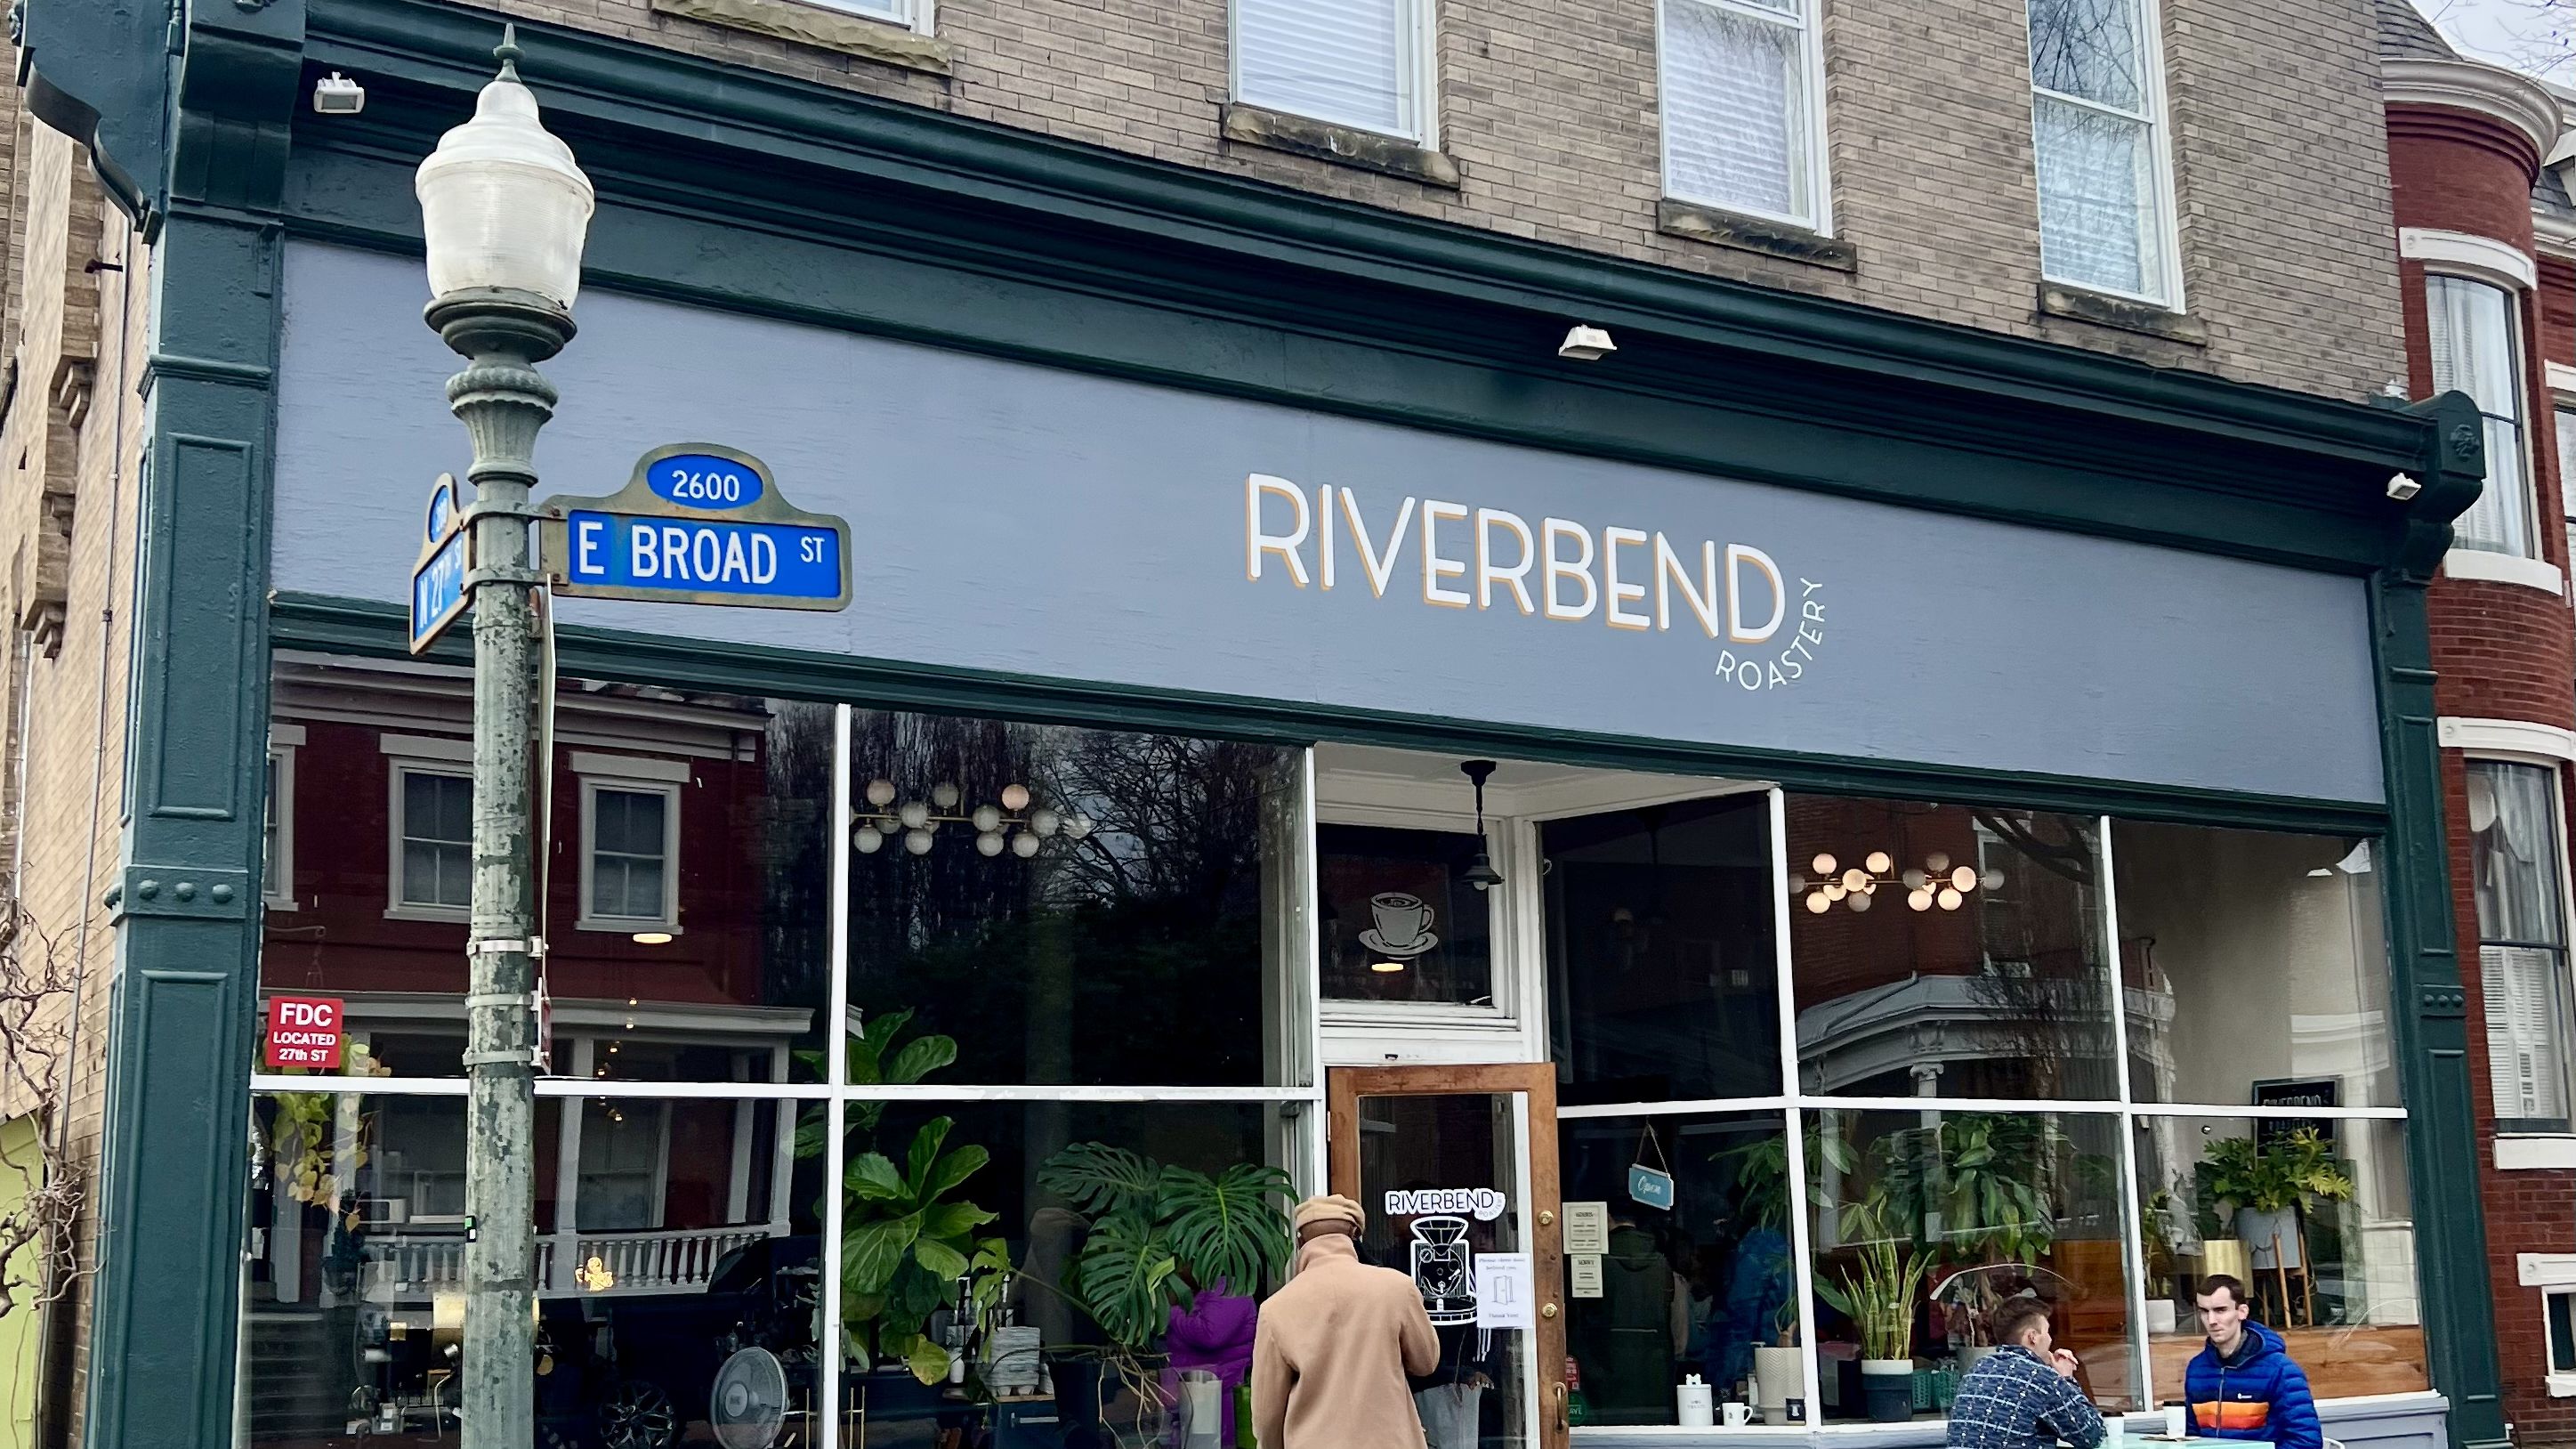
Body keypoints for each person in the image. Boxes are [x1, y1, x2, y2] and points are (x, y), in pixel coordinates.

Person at [1251, 1194, 1441, 1449]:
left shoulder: (1275, 1309)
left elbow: (1267, 1414)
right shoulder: (1397, 1288)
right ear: (1355, 1234)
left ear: (1300, 1241)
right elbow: (1426, 1362)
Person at [1944, 1298, 2105, 1449]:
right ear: (2032, 1337)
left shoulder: (1977, 1370)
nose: (2050, 1339)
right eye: (2047, 1332)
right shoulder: (2040, 1378)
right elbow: (2092, 1435)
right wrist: (2066, 1379)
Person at [2184, 1275, 2321, 1449]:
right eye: (2204, 1311)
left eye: (2220, 1310)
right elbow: (2191, 1438)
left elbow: (2307, 1442)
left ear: (2242, 1311)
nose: (2211, 1321)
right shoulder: (2197, 1369)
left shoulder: (2281, 1370)